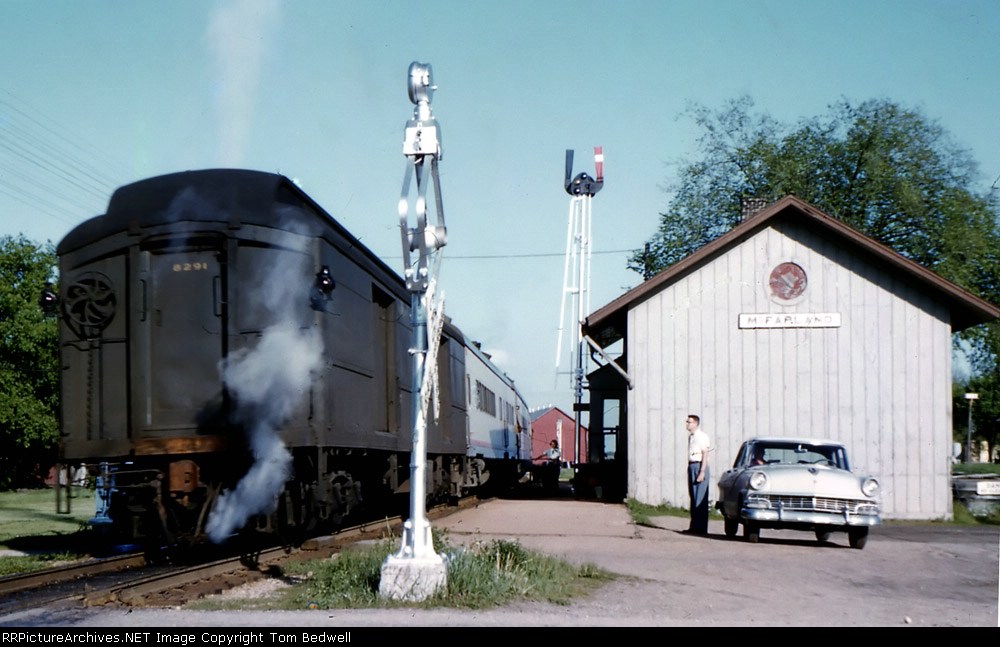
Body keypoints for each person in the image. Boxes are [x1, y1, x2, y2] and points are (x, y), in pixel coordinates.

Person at [685, 414, 711, 534]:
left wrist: (702, 471)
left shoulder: (701, 436)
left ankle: (701, 528)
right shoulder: (692, 437)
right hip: (692, 465)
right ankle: (694, 526)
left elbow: (705, 453)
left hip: (699, 465)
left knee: (700, 498)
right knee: (694, 496)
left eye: (689, 422)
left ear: (695, 423)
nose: (687, 424)